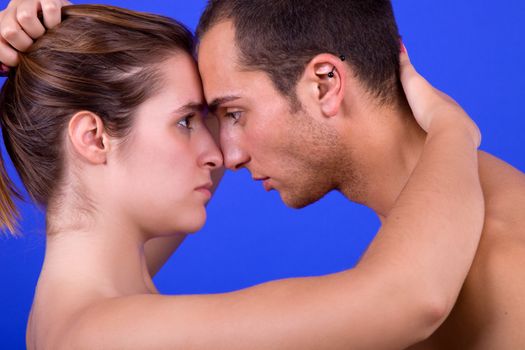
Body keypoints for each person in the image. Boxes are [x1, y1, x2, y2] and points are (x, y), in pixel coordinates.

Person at [0, 3, 485, 350]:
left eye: (223, 117)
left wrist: (42, 52)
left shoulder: (85, 291)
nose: (219, 155)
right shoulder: (101, 333)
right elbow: (407, 301)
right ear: (93, 138)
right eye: (187, 122)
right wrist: (452, 131)